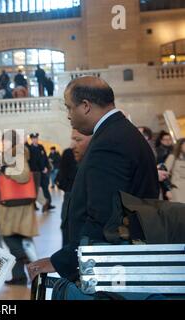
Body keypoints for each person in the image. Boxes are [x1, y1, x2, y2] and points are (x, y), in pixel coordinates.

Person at [27, 76, 159, 283]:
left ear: (86, 106)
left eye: (69, 108)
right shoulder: (120, 132)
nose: (68, 116)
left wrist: (62, 261)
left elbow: (104, 216)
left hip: (112, 269)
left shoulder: (110, 142)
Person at [0, 130, 38, 285]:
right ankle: (19, 276)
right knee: (18, 240)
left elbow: (23, 174)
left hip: (16, 206)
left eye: (4, 140)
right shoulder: (10, 155)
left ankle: (31, 266)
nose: (2, 143)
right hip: (15, 205)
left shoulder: (17, 154)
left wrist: (5, 170)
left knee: (11, 238)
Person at [56, 129, 92, 247]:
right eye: (74, 140)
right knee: (68, 229)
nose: (74, 144)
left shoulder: (93, 156)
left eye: (78, 140)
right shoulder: (68, 154)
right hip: (70, 194)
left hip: (82, 199)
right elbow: (62, 175)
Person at [26, 133, 54, 211]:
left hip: (44, 172)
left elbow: (45, 158)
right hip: (35, 172)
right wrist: (41, 168)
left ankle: (48, 204)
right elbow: (33, 162)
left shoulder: (41, 147)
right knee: (35, 189)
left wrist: (47, 167)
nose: (36, 140)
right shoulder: (30, 149)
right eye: (34, 138)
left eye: (37, 138)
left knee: (45, 188)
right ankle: (33, 205)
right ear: (31, 139)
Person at [165, 138, 185, 203]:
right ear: (180, 146)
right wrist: (167, 190)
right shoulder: (172, 157)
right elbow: (164, 174)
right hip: (177, 191)